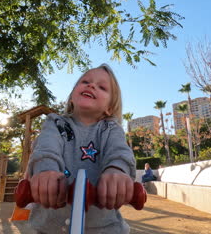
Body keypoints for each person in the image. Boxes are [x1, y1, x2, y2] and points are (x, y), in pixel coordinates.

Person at [26, 64, 136, 234]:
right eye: (85, 81)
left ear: (109, 108)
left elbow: (119, 151)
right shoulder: (55, 122)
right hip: (48, 226)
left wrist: (117, 171)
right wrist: (45, 170)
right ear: (71, 98)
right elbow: (46, 147)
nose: (91, 85)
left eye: (102, 87)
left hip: (105, 228)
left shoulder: (110, 128)